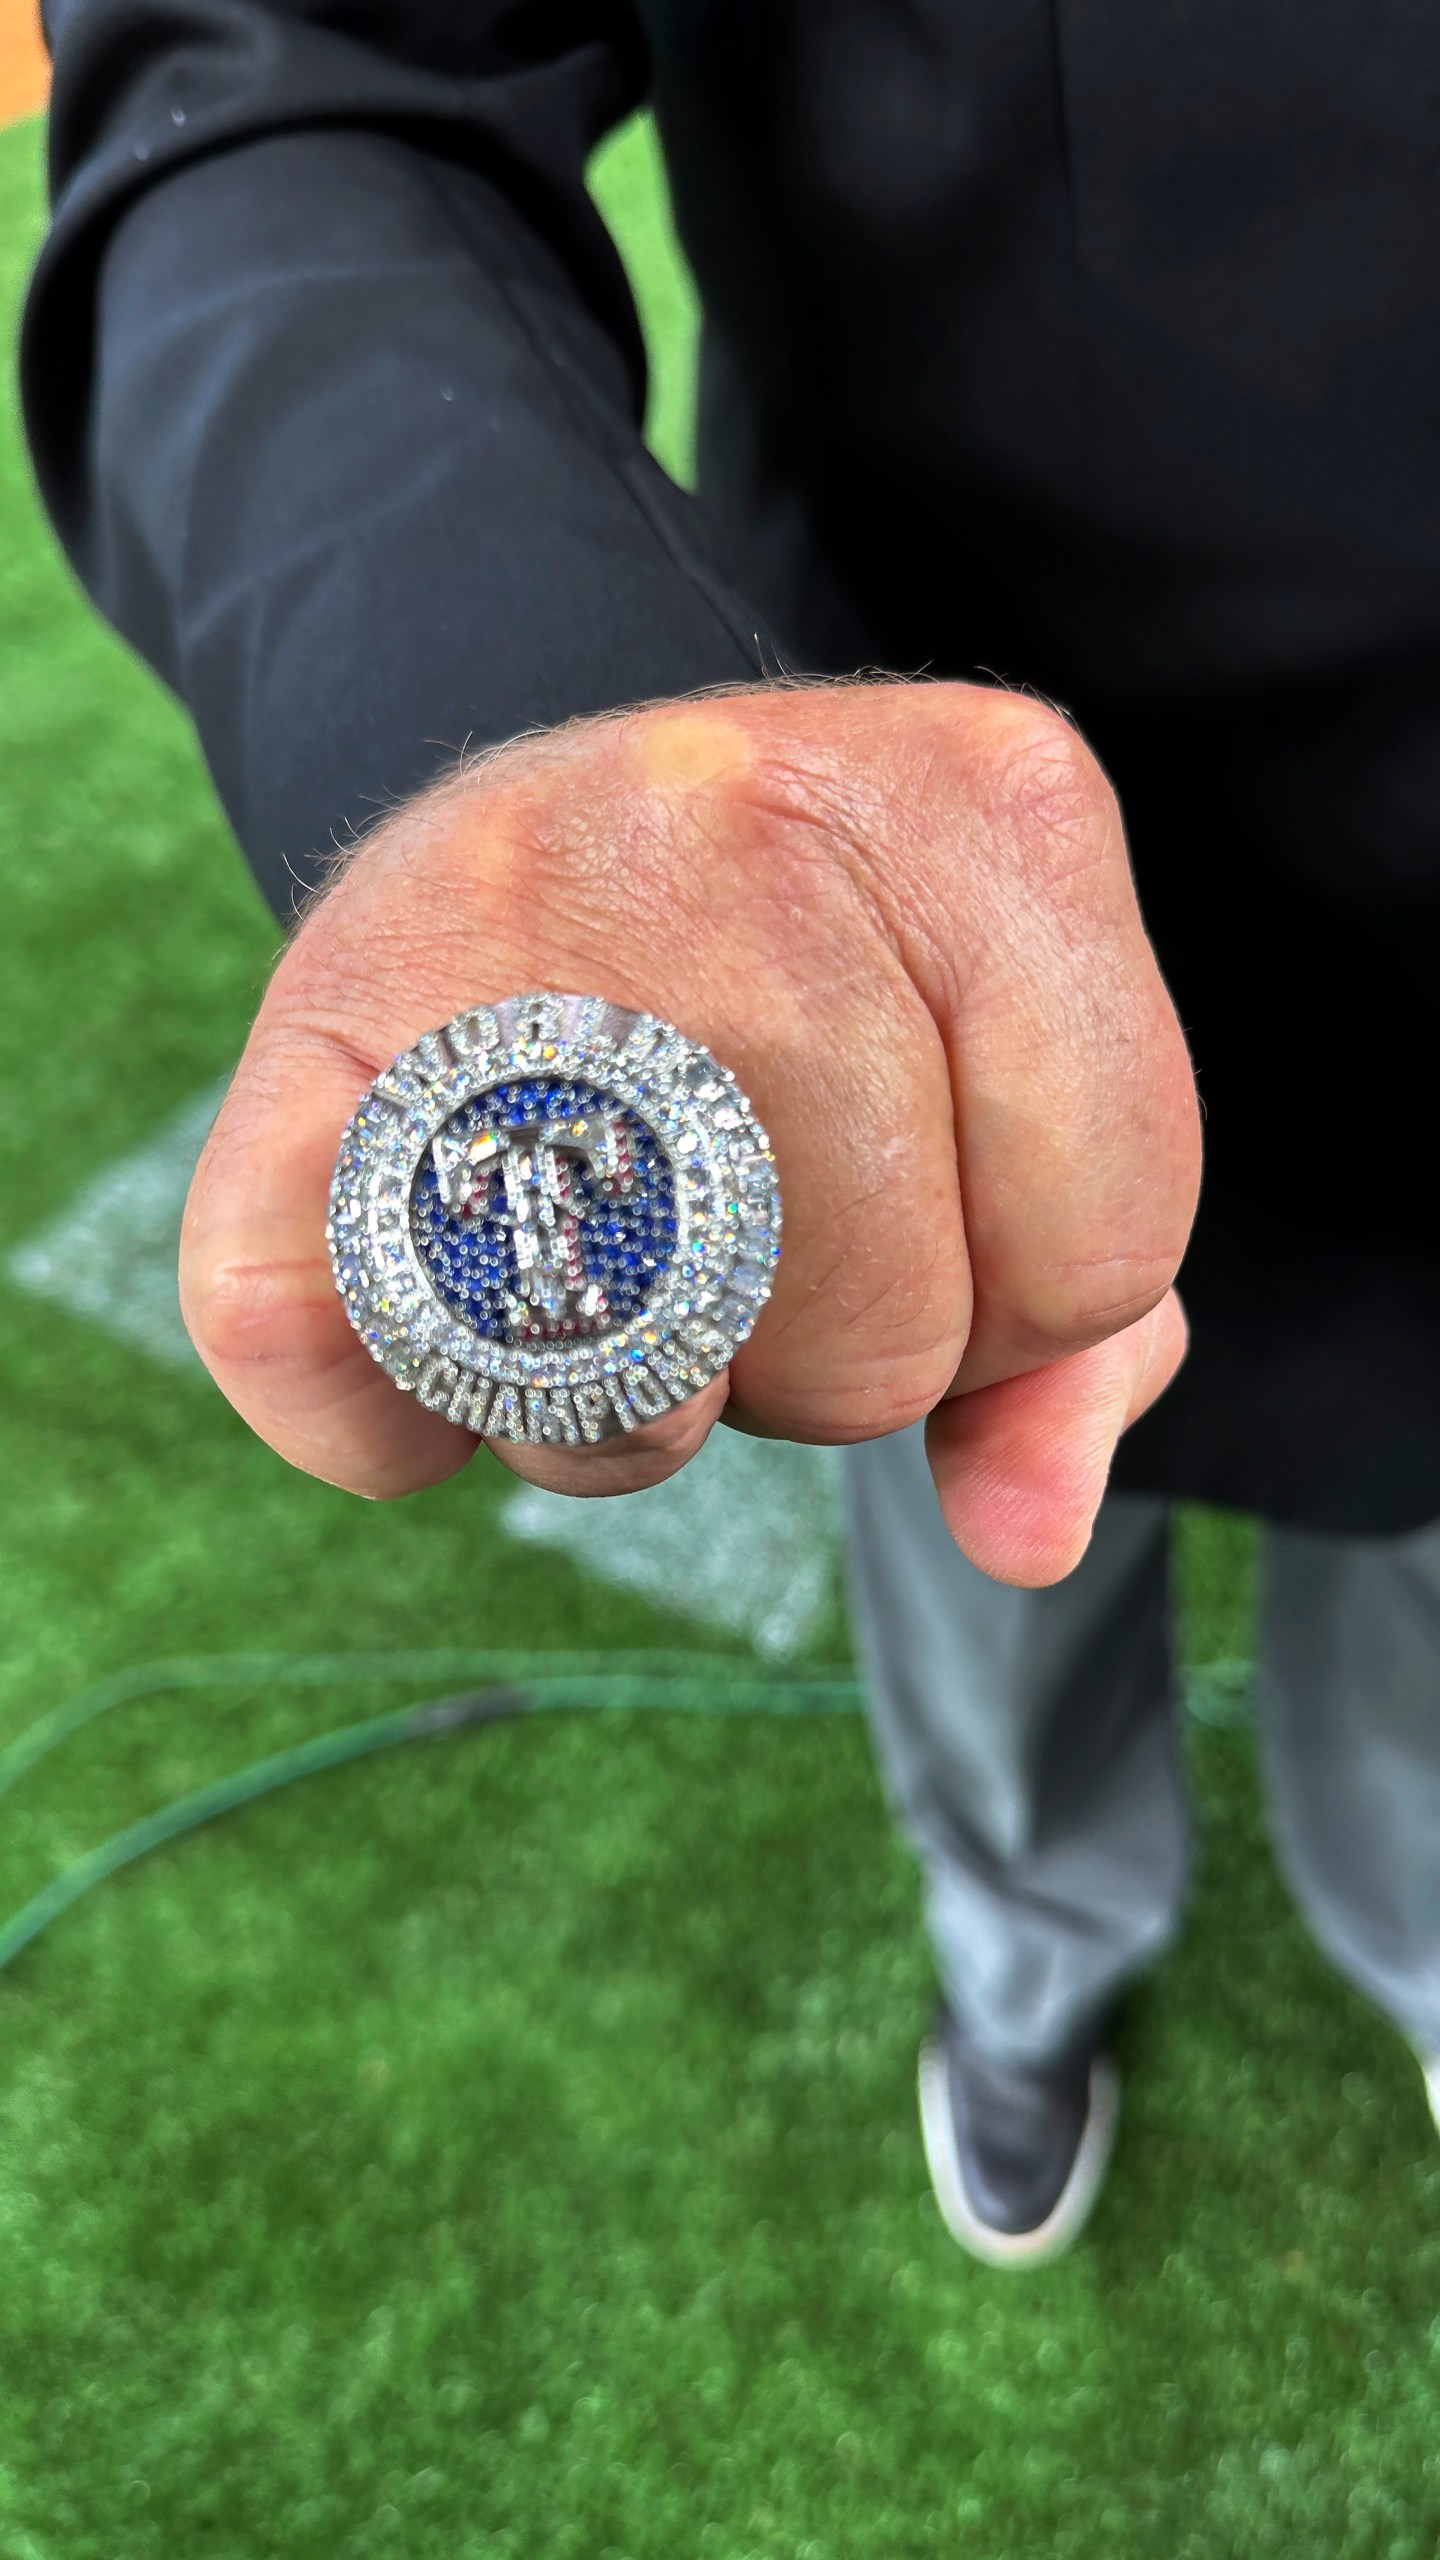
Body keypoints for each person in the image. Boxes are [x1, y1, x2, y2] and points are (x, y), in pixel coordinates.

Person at [22, 0, 1440, 2268]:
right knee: (988, 1519)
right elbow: (288, 66)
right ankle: (1027, 1958)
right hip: (859, 845)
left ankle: (1419, 1933)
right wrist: (502, 713)